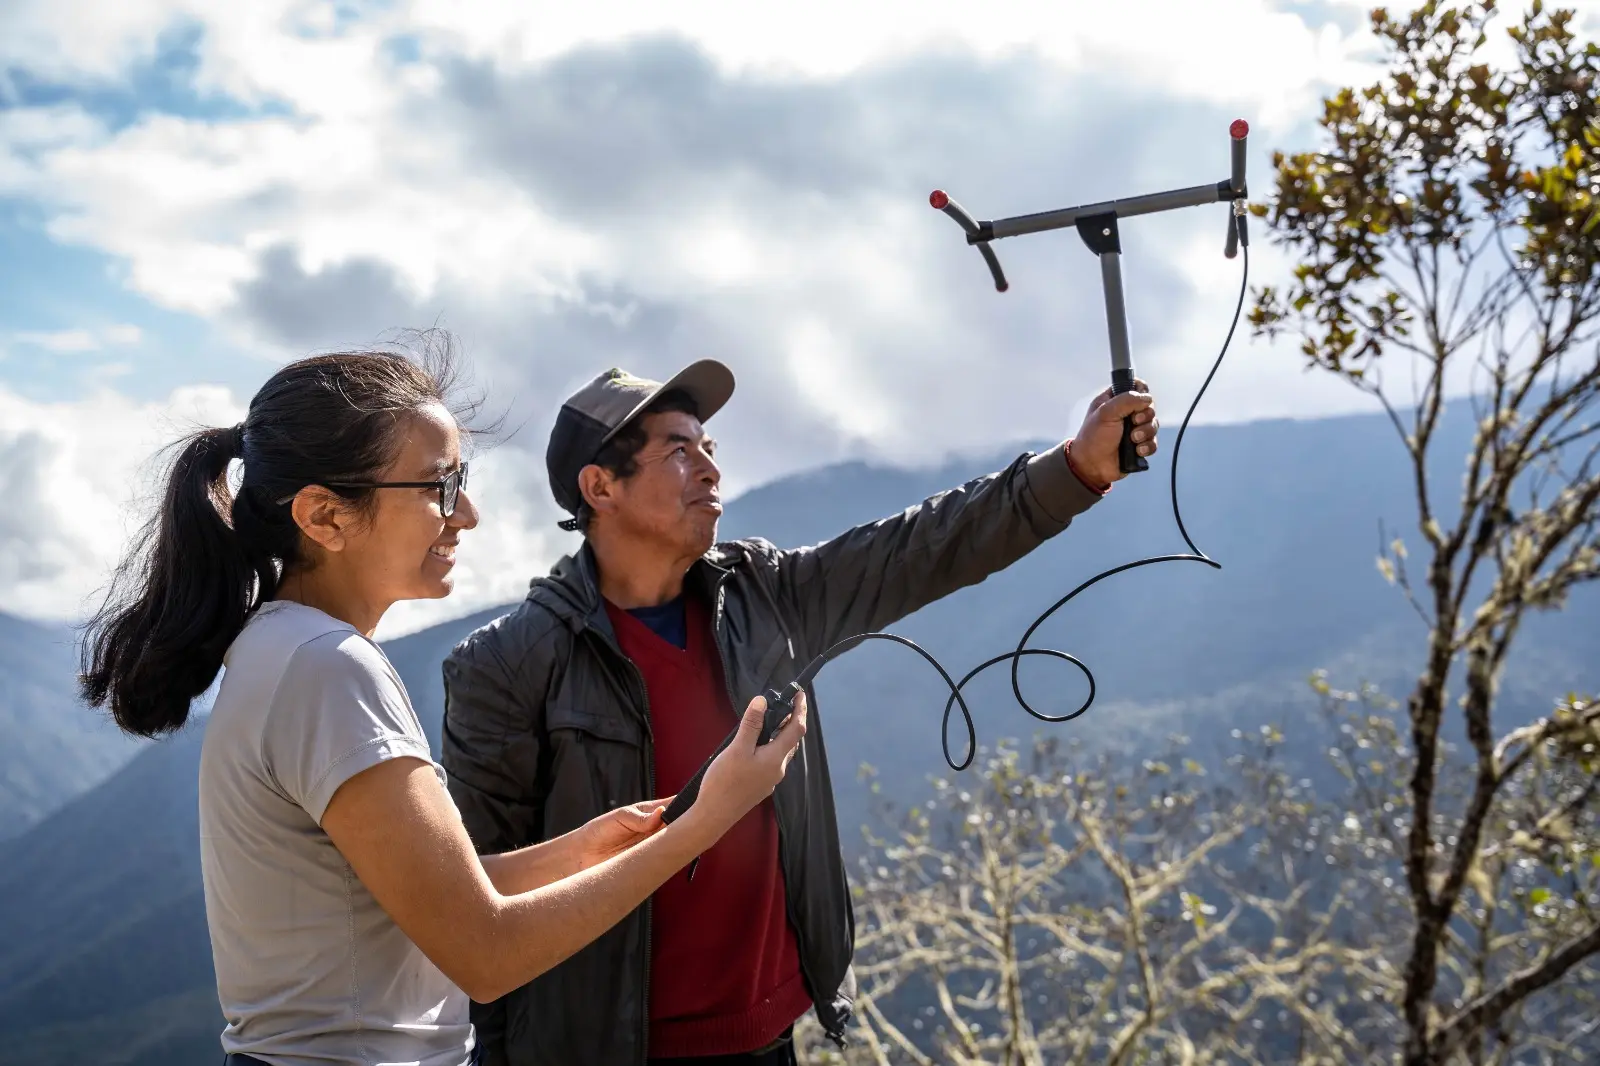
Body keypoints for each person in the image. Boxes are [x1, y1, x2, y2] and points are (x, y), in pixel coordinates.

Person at [78, 343, 807, 1066]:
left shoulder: (282, 650)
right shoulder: (329, 670)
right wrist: (710, 819)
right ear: (325, 517)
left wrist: (588, 847)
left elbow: (427, 899)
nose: (469, 515)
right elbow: (484, 953)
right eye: (438, 488)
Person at [439, 359, 1161, 1065]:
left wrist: (1076, 468)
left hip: (772, 1037)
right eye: (679, 450)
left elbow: (918, 548)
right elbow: (477, 900)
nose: (711, 469)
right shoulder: (508, 665)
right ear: (600, 487)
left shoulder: (764, 594)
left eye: (710, 448)